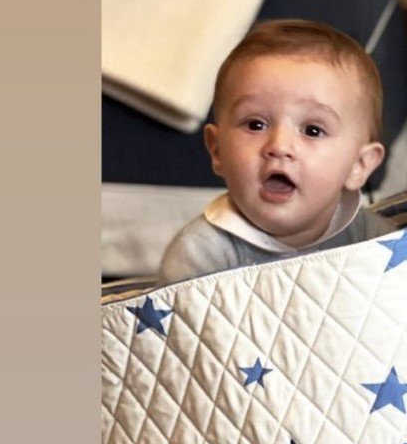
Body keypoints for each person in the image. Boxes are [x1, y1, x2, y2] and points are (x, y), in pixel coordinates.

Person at [158, 19, 388, 285]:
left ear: (359, 165)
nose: (279, 146)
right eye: (255, 125)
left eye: (312, 130)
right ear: (217, 150)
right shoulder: (199, 255)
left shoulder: (377, 241)